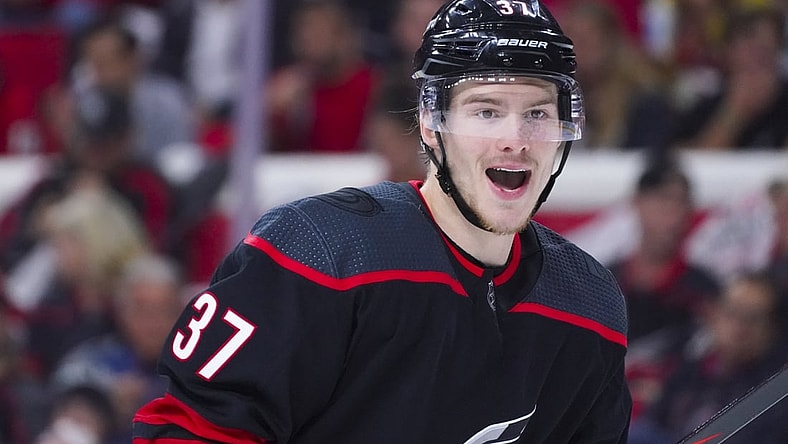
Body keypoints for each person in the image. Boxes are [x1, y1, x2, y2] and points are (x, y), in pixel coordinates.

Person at [133, 1, 632, 443]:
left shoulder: (591, 306)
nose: (515, 139)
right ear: (431, 124)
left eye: (539, 114)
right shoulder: (316, 253)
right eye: (486, 111)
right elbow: (193, 429)